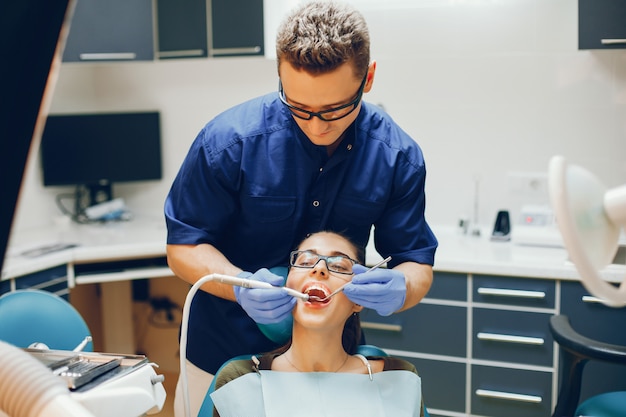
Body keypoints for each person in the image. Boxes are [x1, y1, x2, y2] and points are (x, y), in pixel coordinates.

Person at [165, 1, 437, 415]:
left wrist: (402, 288)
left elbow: (415, 263)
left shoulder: (396, 157)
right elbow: (183, 246)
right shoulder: (227, 144)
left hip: (331, 362)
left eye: (334, 109)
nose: (316, 126)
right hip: (220, 348)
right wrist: (239, 286)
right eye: (299, 108)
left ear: (369, 79)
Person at [210, 231, 424, 417]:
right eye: (304, 262)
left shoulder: (398, 379)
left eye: (339, 265)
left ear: (359, 299)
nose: (320, 269)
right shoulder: (240, 381)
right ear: (286, 285)